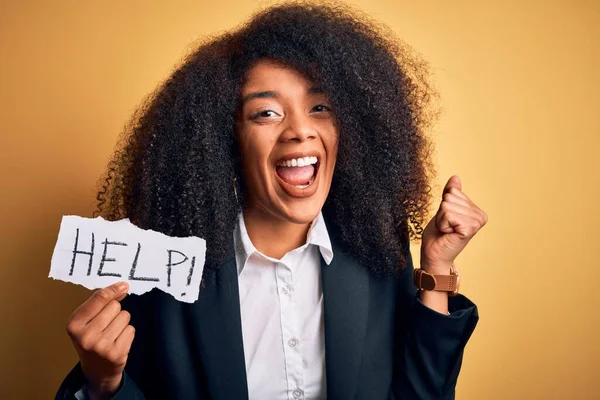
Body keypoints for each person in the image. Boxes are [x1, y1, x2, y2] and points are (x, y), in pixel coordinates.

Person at [56, 1, 487, 399]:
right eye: (266, 113)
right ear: (225, 140)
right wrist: (104, 383)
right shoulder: (166, 276)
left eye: (319, 107)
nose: (300, 129)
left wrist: (436, 269)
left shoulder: (375, 252)